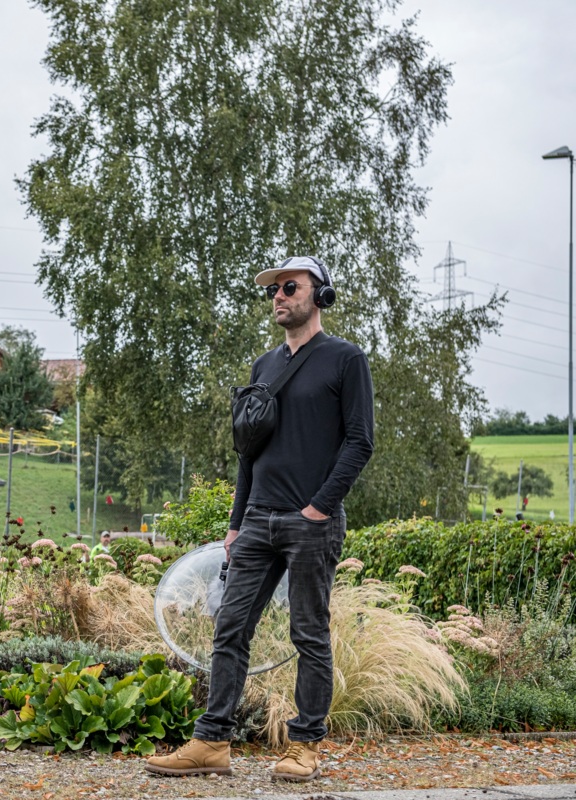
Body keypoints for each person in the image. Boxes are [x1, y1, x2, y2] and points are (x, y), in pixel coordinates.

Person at [145, 256, 373, 783]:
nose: (278, 296)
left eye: (289, 287)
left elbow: (361, 441)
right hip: (256, 522)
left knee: (308, 634)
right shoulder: (263, 367)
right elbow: (247, 451)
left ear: (320, 294)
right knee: (229, 628)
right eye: (273, 289)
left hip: (310, 522)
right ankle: (211, 742)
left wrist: (318, 507)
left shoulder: (345, 359)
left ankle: (305, 748)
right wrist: (235, 520)